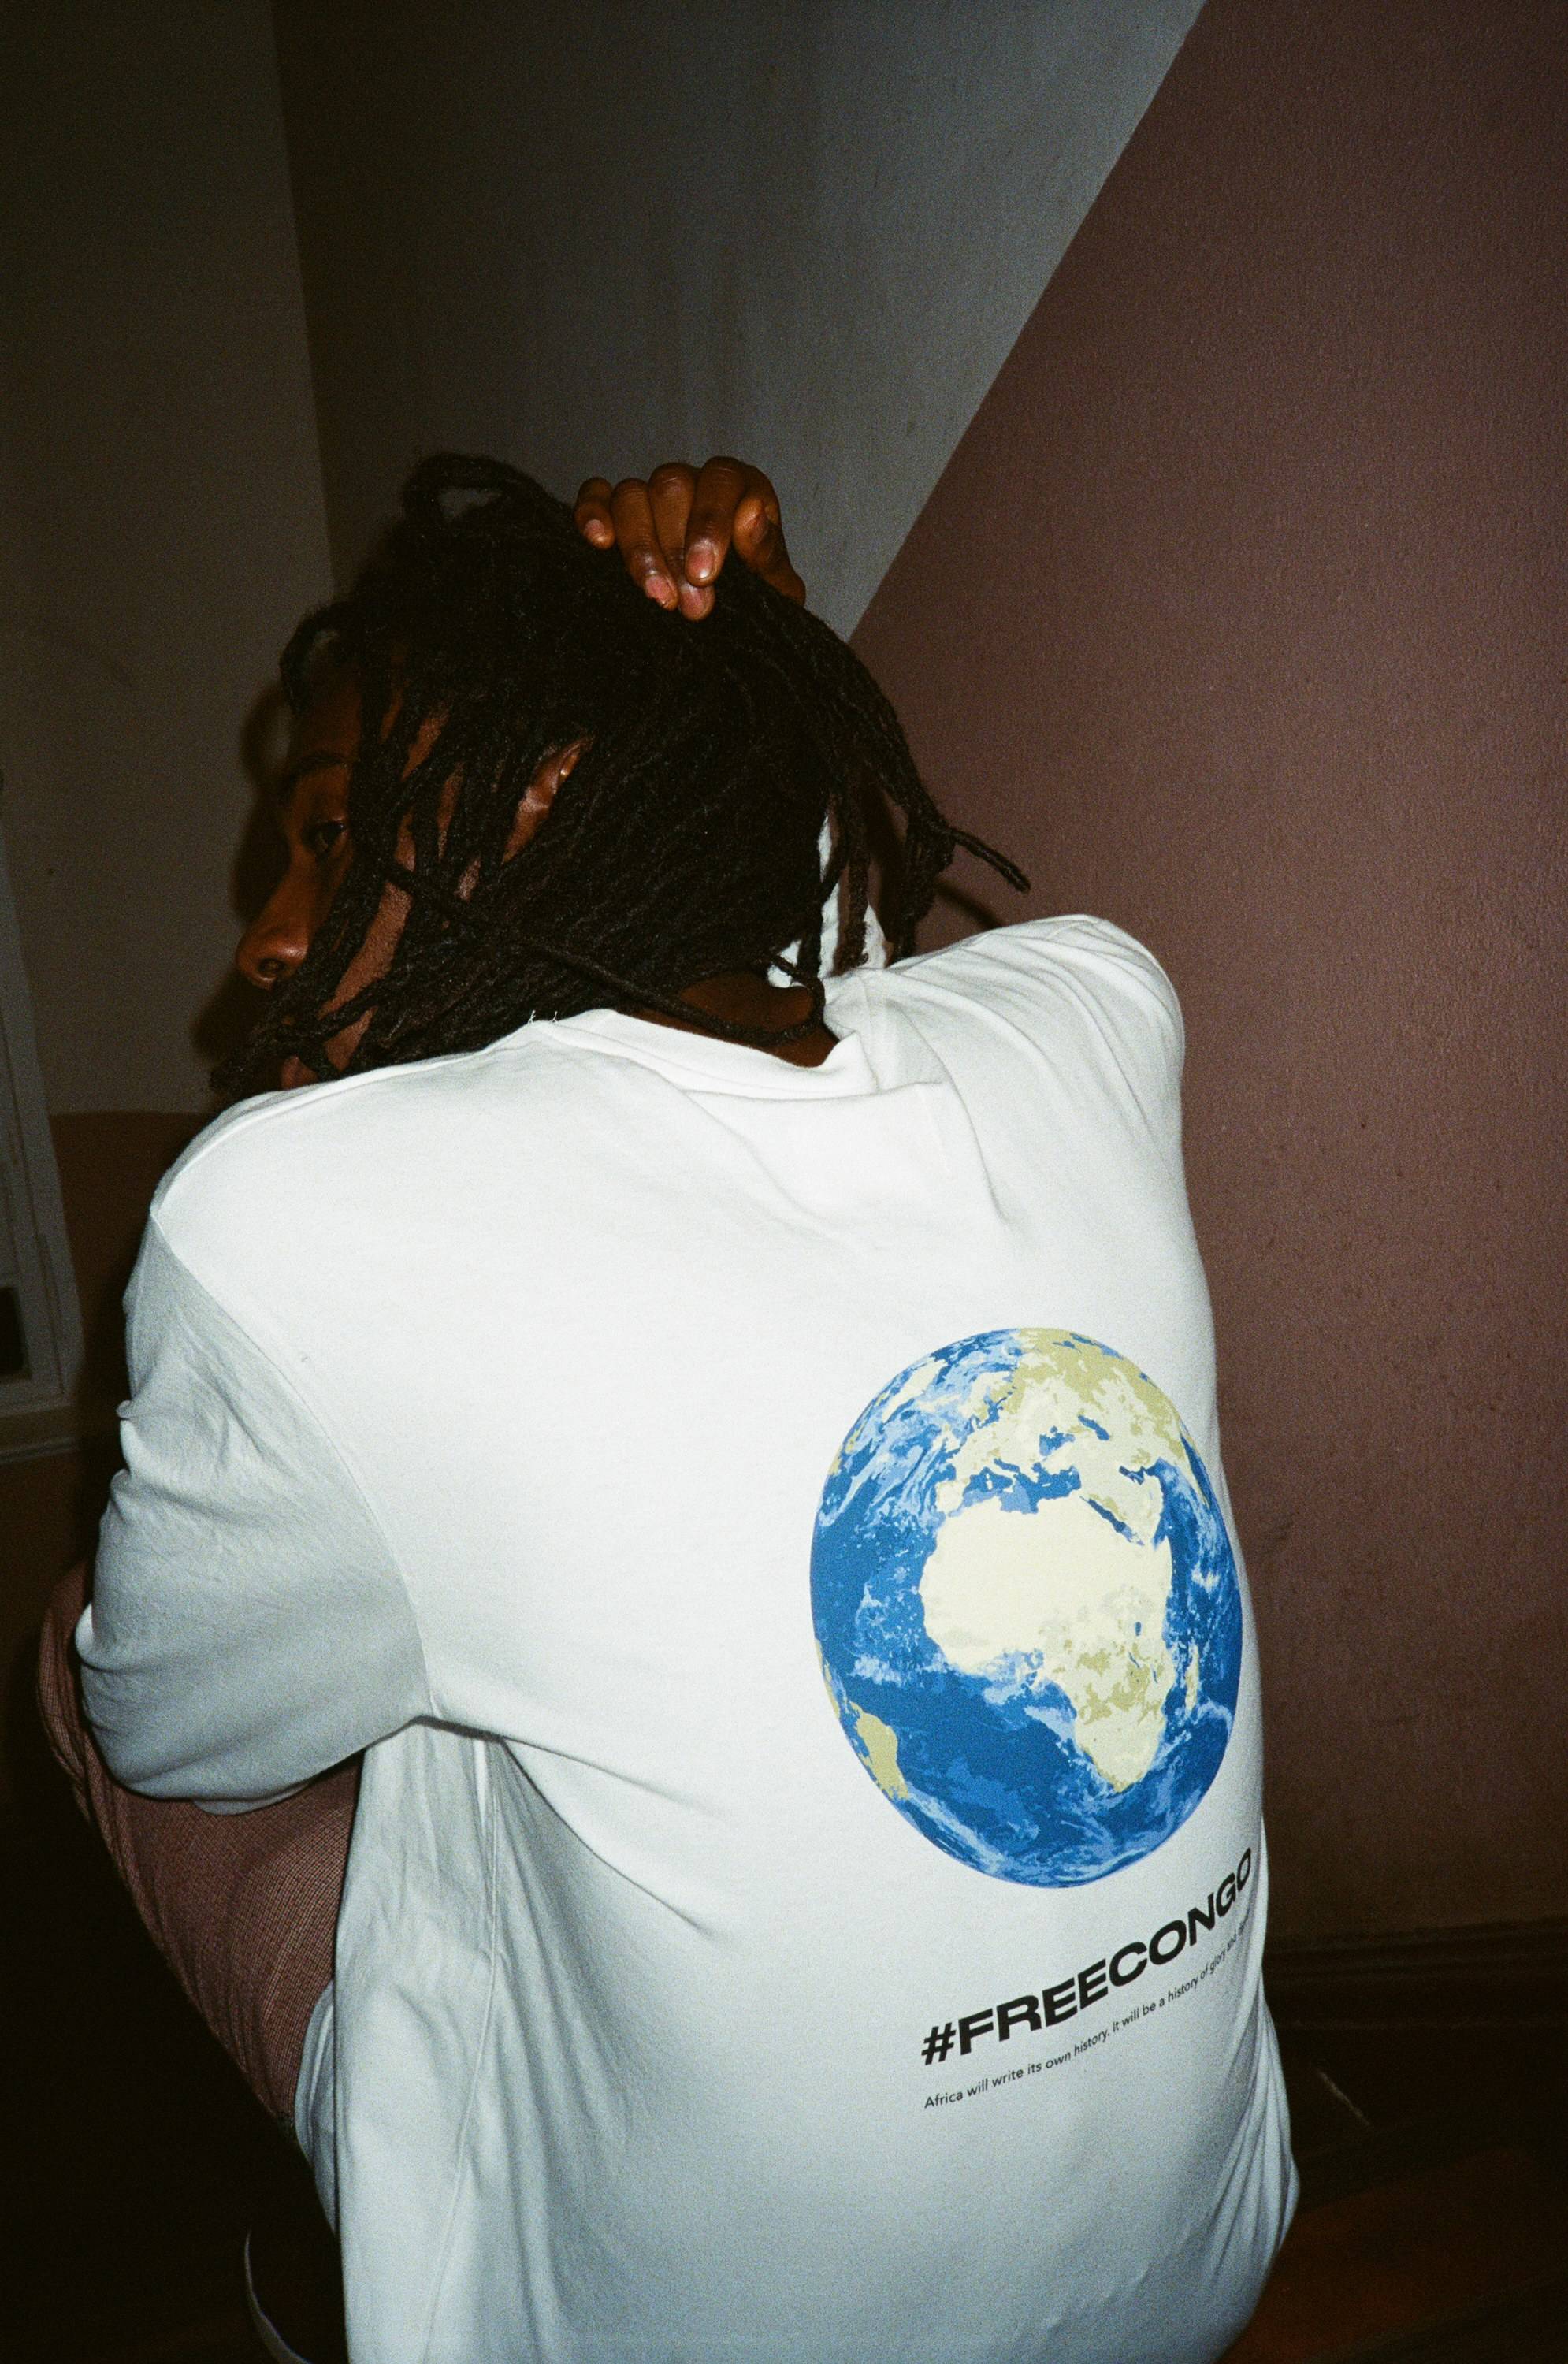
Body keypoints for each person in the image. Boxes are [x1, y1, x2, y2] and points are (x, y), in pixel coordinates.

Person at [41, 454, 1295, 2363]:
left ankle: (397, 2232)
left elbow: (176, 1740)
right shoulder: (1094, 1009)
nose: (266, 943)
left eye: (327, 835)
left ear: (542, 802)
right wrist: (749, 673)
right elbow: (820, 1010)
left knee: (87, 1651)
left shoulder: (293, 1217)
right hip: (1201, 2261)